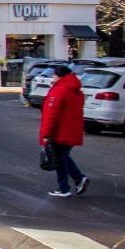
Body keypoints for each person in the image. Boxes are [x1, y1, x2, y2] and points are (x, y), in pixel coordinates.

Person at [39, 63, 89, 197]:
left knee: (60, 159)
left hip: (60, 132)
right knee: (63, 157)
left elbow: (51, 114)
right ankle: (78, 179)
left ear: (59, 76)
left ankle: (64, 188)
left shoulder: (59, 90)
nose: (53, 78)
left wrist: (46, 134)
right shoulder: (76, 91)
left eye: (54, 75)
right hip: (71, 130)